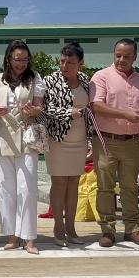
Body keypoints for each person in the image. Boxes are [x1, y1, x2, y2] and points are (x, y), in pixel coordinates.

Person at [89, 38, 139, 247]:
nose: (121, 59)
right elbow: (96, 106)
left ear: (135, 57)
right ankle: (107, 230)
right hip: (106, 140)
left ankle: (132, 229)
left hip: (133, 142)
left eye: (126, 56)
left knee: (130, 187)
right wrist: (126, 114)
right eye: (118, 55)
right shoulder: (102, 77)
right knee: (105, 187)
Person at [0, 40, 45, 255]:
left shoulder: (35, 78)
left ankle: (29, 238)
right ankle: (12, 236)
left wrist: (32, 110)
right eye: (17, 59)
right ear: (8, 59)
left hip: (27, 138)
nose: (21, 63)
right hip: (3, 139)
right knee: (6, 189)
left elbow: (39, 107)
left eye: (24, 59)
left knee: (27, 189)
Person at [42, 42, 93, 247]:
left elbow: (91, 106)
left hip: (80, 139)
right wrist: (67, 113)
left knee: (74, 183)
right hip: (58, 139)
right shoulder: (50, 80)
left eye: (70, 62)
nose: (65, 66)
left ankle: (71, 227)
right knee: (60, 182)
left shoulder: (85, 80)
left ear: (80, 63)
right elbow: (45, 108)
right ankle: (58, 226)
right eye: (62, 61)